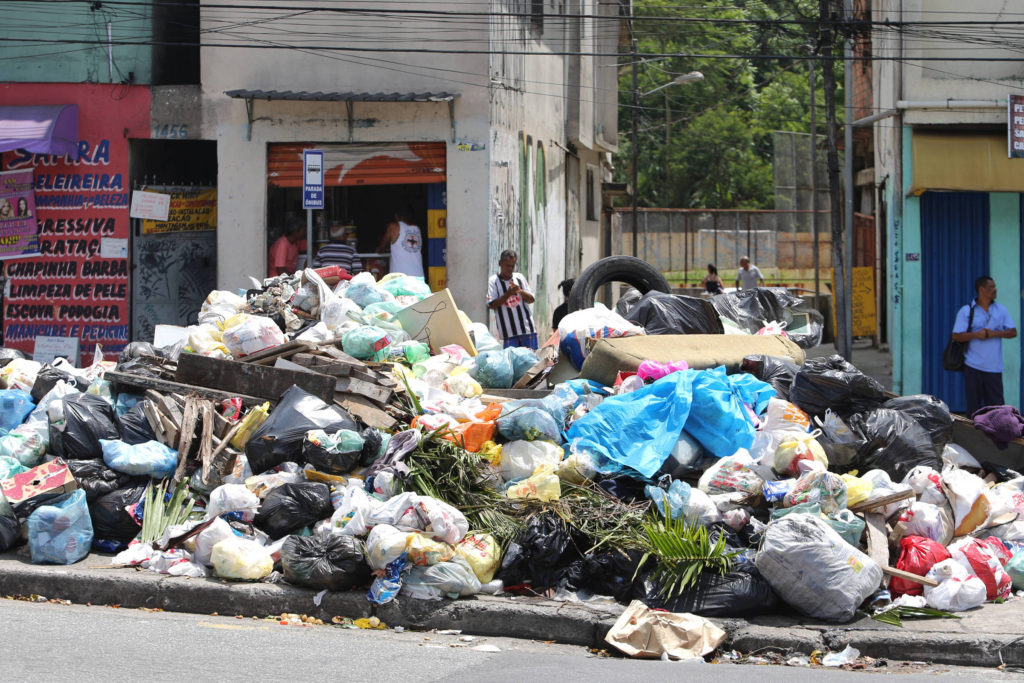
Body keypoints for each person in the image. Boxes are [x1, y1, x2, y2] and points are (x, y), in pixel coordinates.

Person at [951, 275, 1017, 416]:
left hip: (994, 368)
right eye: (991, 287)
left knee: (997, 410)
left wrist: (994, 334)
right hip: (972, 367)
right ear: (982, 290)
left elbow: (1013, 332)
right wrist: (976, 334)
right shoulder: (967, 311)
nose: (995, 289)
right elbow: (956, 335)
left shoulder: (1001, 310)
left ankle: (996, 437)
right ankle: (974, 437)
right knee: (974, 408)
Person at [487, 249, 537, 349]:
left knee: (533, 362)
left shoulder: (519, 278)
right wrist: (508, 294)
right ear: (500, 263)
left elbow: (531, 299)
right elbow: (492, 305)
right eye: (507, 265)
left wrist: (520, 291)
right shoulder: (493, 281)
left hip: (528, 331)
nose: (510, 269)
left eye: (512, 266)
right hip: (509, 334)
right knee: (512, 363)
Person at [377, 206, 424, 278]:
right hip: (418, 276)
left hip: (401, 278)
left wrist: (379, 250)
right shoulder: (417, 229)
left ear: (396, 216)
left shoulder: (394, 227)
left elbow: (382, 247)